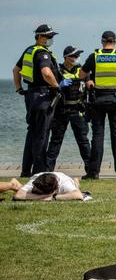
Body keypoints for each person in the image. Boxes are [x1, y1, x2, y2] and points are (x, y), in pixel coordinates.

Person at [78, 30, 116, 180]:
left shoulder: (94, 57)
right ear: (115, 42)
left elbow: (81, 75)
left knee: (97, 136)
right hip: (115, 100)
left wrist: (90, 78)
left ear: (102, 42)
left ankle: (93, 172)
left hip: (97, 101)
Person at [12, 24, 63, 177]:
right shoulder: (42, 53)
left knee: (32, 133)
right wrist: (57, 87)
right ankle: (39, 172)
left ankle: (26, 170)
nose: (51, 39)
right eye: (49, 36)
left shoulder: (29, 50)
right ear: (40, 36)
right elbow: (46, 72)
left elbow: (16, 70)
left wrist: (19, 88)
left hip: (31, 96)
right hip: (43, 95)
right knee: (42, 134)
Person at [45, 46, 91, 174]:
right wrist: (59, 85)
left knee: (83, 140)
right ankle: (47, 170)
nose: (77, 58)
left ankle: (91, 171)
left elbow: (89, 84)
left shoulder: (82, 71)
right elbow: (50, 88)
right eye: (74, 56)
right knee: (55, 140)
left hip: (78, 109)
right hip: (61, 110)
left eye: (78, 56)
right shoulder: (57, 70)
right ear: (66, 57)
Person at [13, 172, 83, 201]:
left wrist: (54, 196)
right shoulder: (36, 181)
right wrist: (44, 197)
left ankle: (76, 181)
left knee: (76, 187)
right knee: (22, 188)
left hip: (65, 178)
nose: (33, 189)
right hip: (46, 175)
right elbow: (18, 196)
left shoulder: (65, 184)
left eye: (37, 190)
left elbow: (79, 195)